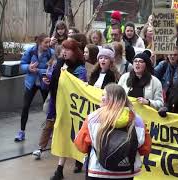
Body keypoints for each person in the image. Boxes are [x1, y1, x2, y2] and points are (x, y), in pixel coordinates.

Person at [74, 84, 151, 179]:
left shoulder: (93, 118)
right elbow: (145, 149)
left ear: (108, 99)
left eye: (103, 95)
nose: (101, 98)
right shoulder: (138, 120)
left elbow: (81, 145)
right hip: (126, 172)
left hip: (97, 170)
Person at [49, 39, 87, 180]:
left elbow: (79, 88)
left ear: (75, 52)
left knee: (78, 136)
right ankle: (59, 169)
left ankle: (80, 160)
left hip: (76, 109)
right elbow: (55, 84)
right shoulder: (61, 64)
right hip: (62, 107)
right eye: (63, 49)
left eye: (68, 49)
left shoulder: (80, 68)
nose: (64, 51)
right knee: (64, 135)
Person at [14, 33, 54, 142]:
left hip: (44, 83)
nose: (48, 44)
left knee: (48, 108)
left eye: (49, 42)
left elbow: (53, 69)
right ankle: (21, 132)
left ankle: (50, 130)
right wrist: (28, 67)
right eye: (46, 42)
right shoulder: (30, 51)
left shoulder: (51, 53)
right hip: (31, 83)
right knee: (25, 106)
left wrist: (39, 71)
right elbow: (22, 65)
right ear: (39, 42)